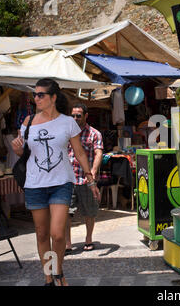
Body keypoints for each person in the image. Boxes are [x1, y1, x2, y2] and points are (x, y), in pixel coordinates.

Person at [11, 78, 100, 286]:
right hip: (35, 184)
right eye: (34, 94)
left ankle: (58, 270)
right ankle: (49, 277)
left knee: (57, 234)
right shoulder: (28, 122)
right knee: (42, 235)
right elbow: (23, 151)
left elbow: (79, 152)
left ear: (53, 97)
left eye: (41, 94)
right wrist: (17, 150)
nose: (36, 98)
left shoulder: (67, 122)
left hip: (61, 182)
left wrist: (90, 179)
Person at [65, 103, 103, 253]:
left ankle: (88, 239)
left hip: (86, 179)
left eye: (78, 115)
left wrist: (93, 171)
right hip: (68, 178)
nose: (75, 118)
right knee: (67, 212)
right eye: (73, 115)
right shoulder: (66, 133)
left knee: (89, 212)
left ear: (86, 116)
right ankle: (68, 243)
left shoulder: (94, 134)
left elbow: (98, 153)